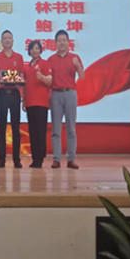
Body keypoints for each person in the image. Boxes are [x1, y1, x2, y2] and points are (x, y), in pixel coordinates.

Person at [48, 30, 85, 169]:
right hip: (55, 94)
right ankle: (56, 159)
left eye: (64, 40)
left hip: (70, 94)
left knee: (71, 128)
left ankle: (71, 159)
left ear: (68, 42)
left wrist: (77, 65)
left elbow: (82, 76)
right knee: (56, 129)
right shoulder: (51, 59)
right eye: (59, 40)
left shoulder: (75, 57)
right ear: (55, 43)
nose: (62, 43)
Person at [0, 30, 24, 168]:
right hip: (2, 94)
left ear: (13, 40)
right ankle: (1, 159)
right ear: (1, 41)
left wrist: (19, 80)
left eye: (9, 38)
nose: (7, 40)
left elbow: (22, 76)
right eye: (5, 38)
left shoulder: (19, 57)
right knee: (2, 128)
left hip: (15, 94)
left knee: (16, 128)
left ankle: (17, 159)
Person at [23, 40, 52, 168]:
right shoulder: (27, 66)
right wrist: (24, 101)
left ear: (40, 50)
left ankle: (40, 158)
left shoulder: (45, 63)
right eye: (32, 48)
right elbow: (25, 85)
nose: (35, 51)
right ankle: (35, 158)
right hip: (30, 102)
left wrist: (42, 78)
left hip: (41, 102)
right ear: (29, 51)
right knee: (33, 132)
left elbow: (50, 81)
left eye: (37, 48)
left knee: (40, 131)